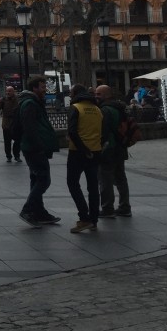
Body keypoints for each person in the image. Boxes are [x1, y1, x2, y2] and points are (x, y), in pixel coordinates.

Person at [18, 75, 60, 227]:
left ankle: (39, 212)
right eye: (42, 87)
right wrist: (39, 145)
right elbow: (29, 127)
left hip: (33, 147)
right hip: (34, 148)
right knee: (44, 179)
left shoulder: (34, 102)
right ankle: (28, 209)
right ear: (34, 88)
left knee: (36, 179)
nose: (45, 90)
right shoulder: (30, 103)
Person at [66, 85, 106, 233]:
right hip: (96, 151)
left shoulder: (76, 108)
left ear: (76, 94)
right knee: (93, 186)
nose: (70, 95)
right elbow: (105, 131)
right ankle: (93, 220)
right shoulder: (97, 110)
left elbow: (72, 131)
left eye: (71, 93)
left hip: (78, 152)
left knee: (73, 183)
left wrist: (83, 149)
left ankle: (84, 217)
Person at [96, 84, 132, 219]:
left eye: (98, 94)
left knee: (105, 179)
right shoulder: (120, 107)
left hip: (109, 148)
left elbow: (103, 131)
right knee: (121, 178)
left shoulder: (105, 110)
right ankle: (125, 206)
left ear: (106, 95)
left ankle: (107, 208)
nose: (96, 96)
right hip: (120, 147)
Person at [0, 87, 22, 163]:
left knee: (17, 141)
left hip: (16, 123)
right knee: (7, 141)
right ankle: (8, 156)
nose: (8, 93)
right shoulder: (3, 99)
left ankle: (17, 155)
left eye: (9, 91)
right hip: (6, 123)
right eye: (7, 91)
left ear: (13, 91)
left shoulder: (18, 99)